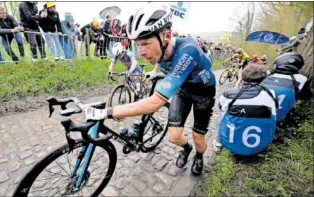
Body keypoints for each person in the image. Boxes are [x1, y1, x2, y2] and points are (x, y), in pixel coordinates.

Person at [84, 3, 216, 176]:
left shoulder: (188, 50)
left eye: (145, 44)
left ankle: (199, 156)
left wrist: (107, 112)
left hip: (203, 94)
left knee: (198, 137)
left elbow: (155, 103)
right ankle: (186, 149)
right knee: (174, 136)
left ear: (166, 36)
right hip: (183, 90)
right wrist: (153, 73)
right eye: (138, 45)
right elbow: (162, 64)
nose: (142, 53)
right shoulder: (161, 49)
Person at [215, 64, 278, 155]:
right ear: (263, 79)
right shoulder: (271, 93)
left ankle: (218, 142)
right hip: (261, 145)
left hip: (230, 143)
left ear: (242, 78)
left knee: (224, 112)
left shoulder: (229, 94)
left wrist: (236, 86)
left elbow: (221, 106)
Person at [261, 52, 312, 122]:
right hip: (279, 117)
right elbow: (306, 96)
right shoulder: (302, 78)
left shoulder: (267, 74)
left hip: (257, 112)